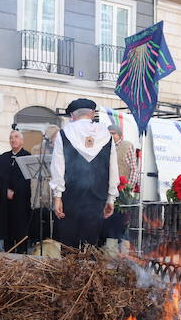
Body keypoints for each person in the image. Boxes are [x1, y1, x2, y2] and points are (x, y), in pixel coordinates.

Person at [50, 99, 118, 248]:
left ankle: (69, 269)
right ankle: (90, 269)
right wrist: (111, 198)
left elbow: (58, 167)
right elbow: (113, 168)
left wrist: (57, 197)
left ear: (73, 115)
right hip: (97, 196)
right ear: (92, 114)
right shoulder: (106, 135)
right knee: (91, 245)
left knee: (69, 244)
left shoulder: (64, 133)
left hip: (71, 195)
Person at [0, 130, 31, 252]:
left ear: (22, 141)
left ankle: (22, 252)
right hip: (5, 200)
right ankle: (8, 252)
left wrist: (15, 191)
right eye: (11, 138)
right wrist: (6, 190)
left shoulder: (28, 157)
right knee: (6, 226)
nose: (13, 140)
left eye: (16, 137)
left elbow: (27, 178)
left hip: (22, 200)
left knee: (21, 227)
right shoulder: (3, 158)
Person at [102, 124, 137, 251]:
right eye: (109, 133)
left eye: (113, 133)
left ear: (119, 135)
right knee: (108, 219)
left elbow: (133, 169)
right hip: (107, 190)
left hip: (122, 191)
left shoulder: (127, 146)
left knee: (121, 221)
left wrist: (128, 189)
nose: (111, 136)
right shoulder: (104, 146)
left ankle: (122, 252)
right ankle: (109, 250)